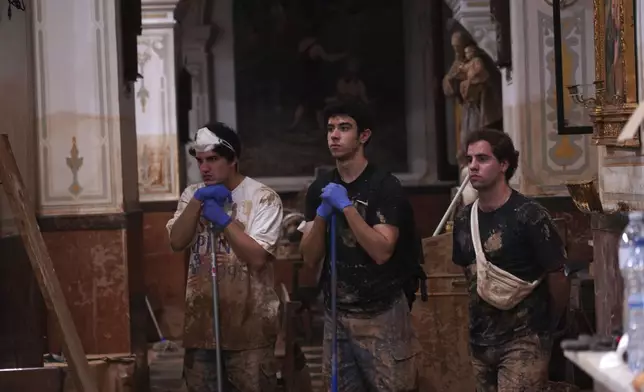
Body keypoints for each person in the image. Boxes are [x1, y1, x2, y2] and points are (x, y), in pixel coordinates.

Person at [298, 102, 420, 391]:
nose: (334, 136)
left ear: (364, 136)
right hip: (337, 313)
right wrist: (320, 216)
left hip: (382, 312)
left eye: (344, 128)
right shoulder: (320, 187)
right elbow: (310, 258)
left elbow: (381, 251)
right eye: (330, 129)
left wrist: (347, 208)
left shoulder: (384, 186)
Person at [166, 122, 284, 392]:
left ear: (233, 160)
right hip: (201, 328)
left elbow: (257, 257)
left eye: (213, 159)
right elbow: (176, 242)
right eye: (200, 161)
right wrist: (197, 202)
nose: (205, 168)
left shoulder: (263, 198)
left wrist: (222, 220)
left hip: (250, 330)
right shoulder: (191, 195)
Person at [451, 128, 570, 392]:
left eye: (482, 159)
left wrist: (548, 326)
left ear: (503, 164)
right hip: (480, 339)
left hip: (525, 339)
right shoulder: (462, 219)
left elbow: (558, 275)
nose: (473, 166)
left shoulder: (529, 215)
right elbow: (468, 274)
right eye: (469, 160)